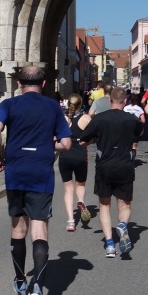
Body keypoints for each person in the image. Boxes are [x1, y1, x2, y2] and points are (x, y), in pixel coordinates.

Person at [0, 66, 72, 295]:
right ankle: (38, 288)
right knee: (39, 229)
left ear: (18, 83)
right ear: (44, 83)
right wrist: (47, 144)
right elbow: (66, 144)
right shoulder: (53, 106)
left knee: (18, 228)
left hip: (16, 170)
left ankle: (21, 282)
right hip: (41, 172)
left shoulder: (9, 104)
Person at [80, 87, 143, 257]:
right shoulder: (132, 119)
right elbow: (139, 133)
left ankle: (109, 244)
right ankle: (123, 225)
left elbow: (83, 141)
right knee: (125, 205)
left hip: (105, 166)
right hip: (125, 165)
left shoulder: (100, 119)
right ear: (125, 101)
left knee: (104, 206)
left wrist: (95, 138)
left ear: (109, 100)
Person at [59, 93, 93, 232]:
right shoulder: (86, 118)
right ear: (81, 104)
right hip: (80, 156)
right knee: (80, 184)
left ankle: (70, 221)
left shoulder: (63, 119)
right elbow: (92, 138)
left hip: (65, 156)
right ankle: (81, 201)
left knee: (68, 189)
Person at [123, 93, 146, 161]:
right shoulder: (139, 109)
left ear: (129, 100)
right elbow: (143, 121)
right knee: (134, 145)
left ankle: (126, 159)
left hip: (127, 127)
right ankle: (132, 160)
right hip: (136, 127)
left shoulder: (125, 108)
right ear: (137, 100)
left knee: (127, 144)